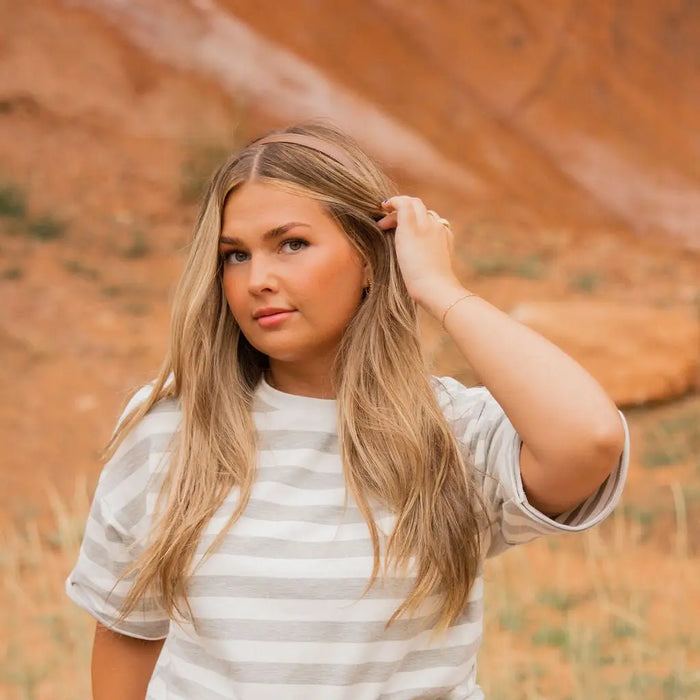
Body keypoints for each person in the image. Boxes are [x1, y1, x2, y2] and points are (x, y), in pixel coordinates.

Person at [66, 122, 629, 700]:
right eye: (235, 255)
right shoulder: (171, 428)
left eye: (292, 244)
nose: (258, 279)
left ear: (368, 258)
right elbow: (126, 632)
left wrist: (438, 288)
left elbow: (589, 439)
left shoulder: (451, 433)